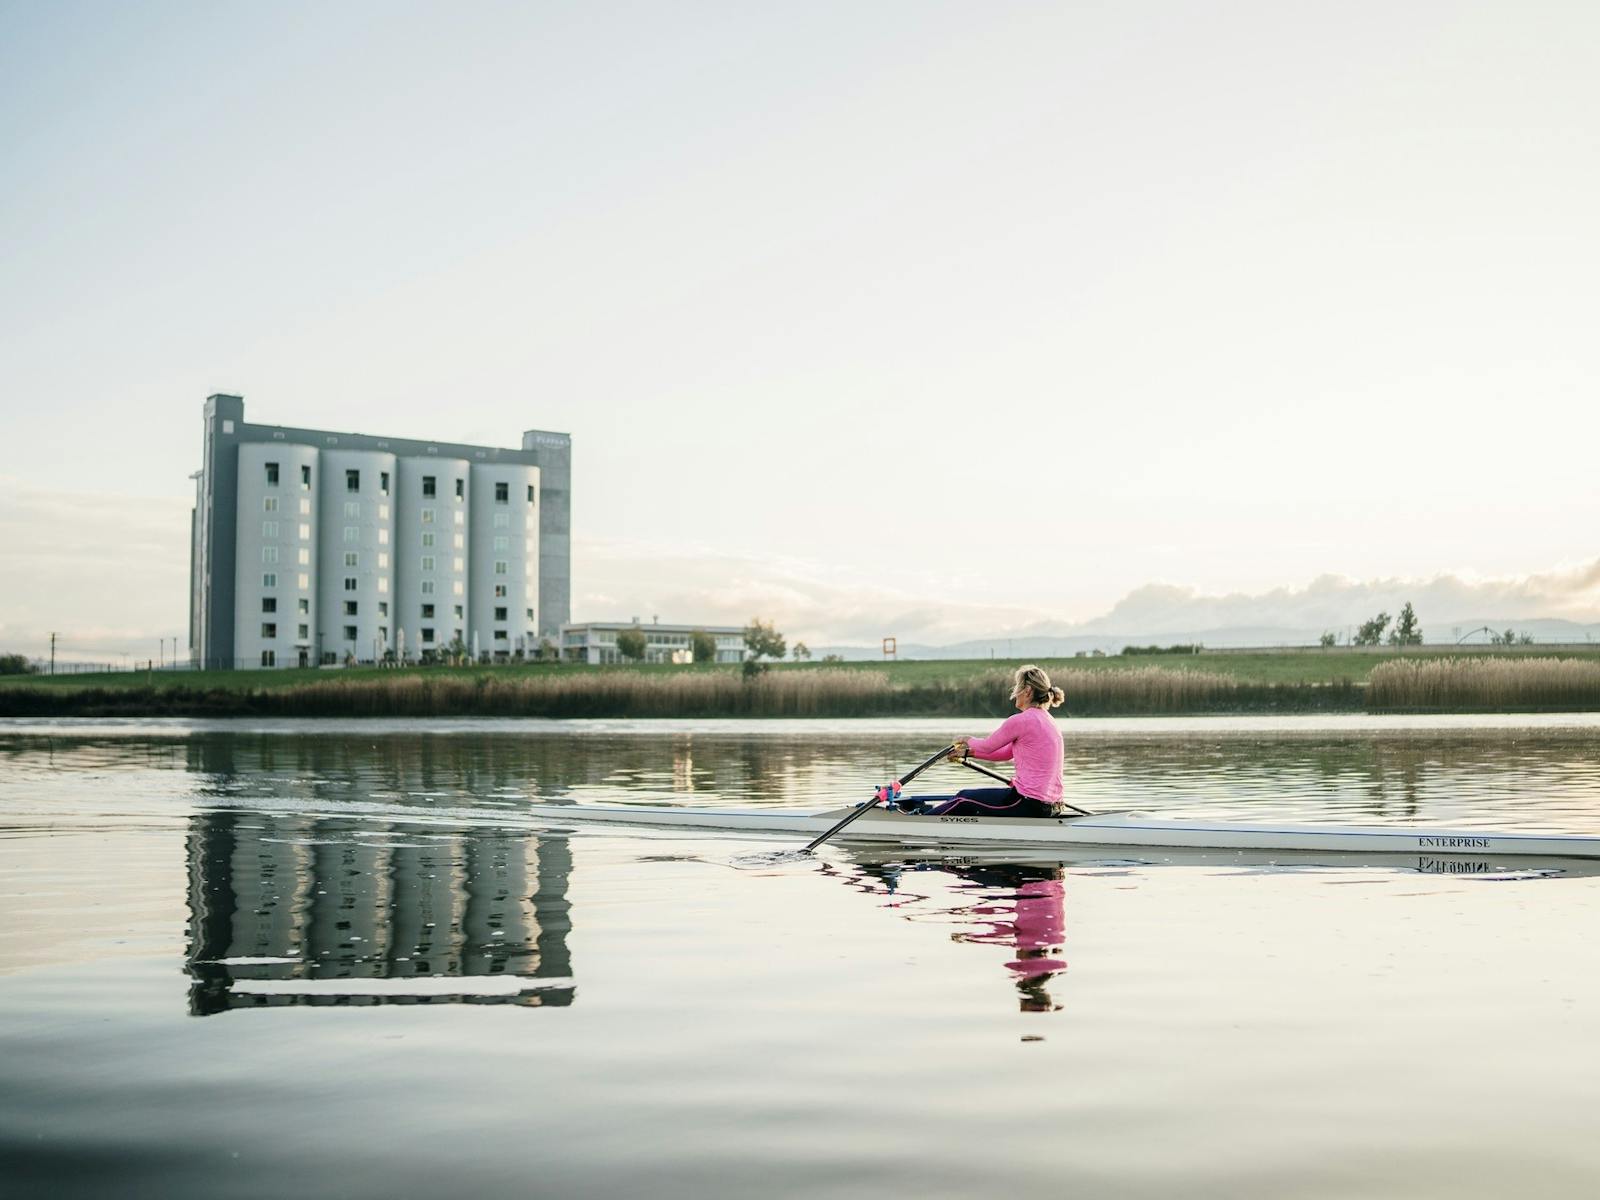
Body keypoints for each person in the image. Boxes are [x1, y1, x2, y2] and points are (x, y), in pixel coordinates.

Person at [905, 664, 1066, 818]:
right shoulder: (1050, 721)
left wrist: (967, 739)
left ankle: (919, 823)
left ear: (1028, 691)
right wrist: (968, 753)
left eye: (1017, 687)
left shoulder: (1021, 720)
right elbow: (1005, 753)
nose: (1014, 692)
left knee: (963, 798)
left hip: (1028, 803)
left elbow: (988, 746)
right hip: (1053, 805)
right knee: (968, 800)